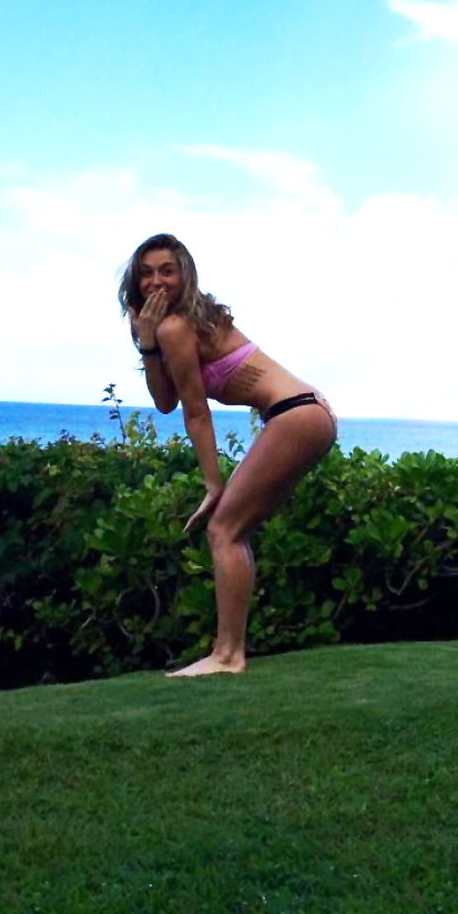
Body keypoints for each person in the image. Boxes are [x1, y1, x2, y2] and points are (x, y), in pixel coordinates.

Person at [118, 233, 337, 677]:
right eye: (146, 273)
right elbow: (165, 401)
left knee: (223, 529)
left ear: (184, 274)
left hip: (295, 415)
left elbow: (196, 413)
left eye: (166, 271)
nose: (155, 281)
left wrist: (213, 485)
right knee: (232, 531)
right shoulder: (175, 327)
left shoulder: (177, 327)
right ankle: (229, 652)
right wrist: (147, 343)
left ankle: (227, 656)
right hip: (306, 413)